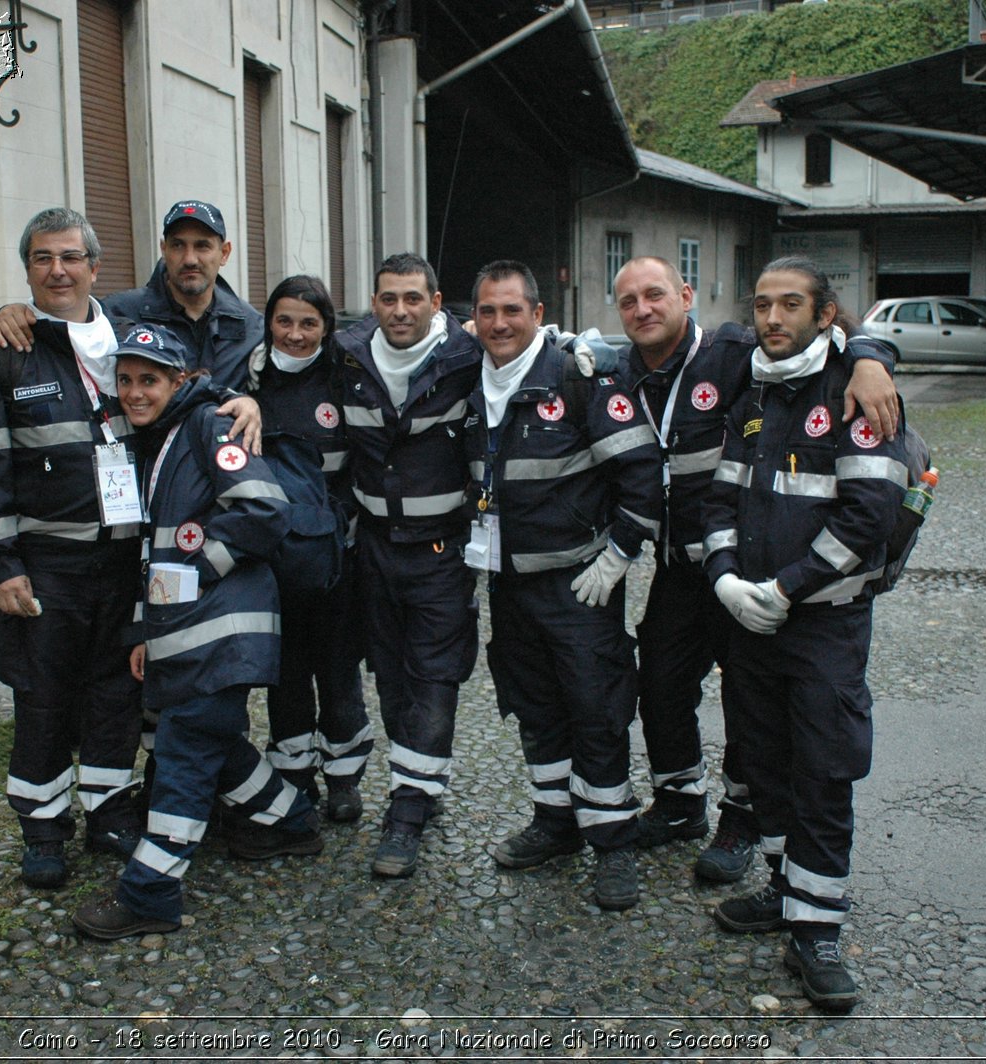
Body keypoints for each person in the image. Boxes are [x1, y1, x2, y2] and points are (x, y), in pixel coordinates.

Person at [609, 256, 897, 883]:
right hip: (683, 565)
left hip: (749, 562)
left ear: (686, 295)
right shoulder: (615, 369)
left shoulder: (734, 350)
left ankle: (743, 818)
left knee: (748, 700)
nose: (643, 310)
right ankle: (681, 801)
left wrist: (873, 358)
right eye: (628, 301)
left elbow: (827, 341)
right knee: (658, 681)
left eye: (655, 294)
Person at [701, 256, 909, 1011]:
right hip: (753, 619)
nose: (773, 319)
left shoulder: (856, 390)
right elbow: (721, 494)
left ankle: (818, 931)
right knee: (764, 761)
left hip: (821, 624)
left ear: (827, 316)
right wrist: (725, 577)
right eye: (762, 305)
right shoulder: (753, 392)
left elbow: (869, 517)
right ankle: (788, 893)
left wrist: (787, 588)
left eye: (791, 305)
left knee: (822, 769)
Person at [72, 325, 323, 941]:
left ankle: (150, 893)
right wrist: (142, 633)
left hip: (222, 630)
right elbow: (147, 556)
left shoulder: (209, 425)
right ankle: (293, 822)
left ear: (180, 381)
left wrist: (199, 567)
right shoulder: (155, 440)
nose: (135, 392)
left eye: (149, 380)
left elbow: (265, 508)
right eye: (126, 380)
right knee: (215, 743)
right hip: (185, 631)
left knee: (184, 753)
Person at [0, 207, 142, 889]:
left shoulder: (134, 338)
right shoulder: (1, 352)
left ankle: (111, 812)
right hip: (46, 569)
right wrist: (1, 566)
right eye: (41, 258)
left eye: (69, 257)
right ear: (26, 268)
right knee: (42, 699)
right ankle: (42, 828)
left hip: (124, 563)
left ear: (95, 266)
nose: (56, 270)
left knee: (117, 694)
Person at [462, 261, 662, 911]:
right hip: (508, 584)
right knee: (534, 705)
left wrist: (619, 557)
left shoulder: (580, 377)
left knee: (597, 710)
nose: (499, 323)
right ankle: (555, 822)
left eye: (512, 310)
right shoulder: (467, 381)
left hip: (579, 589)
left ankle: (612, 841)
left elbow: (641, 473)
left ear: (539, 314)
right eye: (487, 311)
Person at [338, 252, 481, 878]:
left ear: (437, 302)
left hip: (441, 553)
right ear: (374, 302)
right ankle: (419, 780)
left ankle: (406, 812)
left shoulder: (465, 360)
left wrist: (574, 347)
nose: (401, 310)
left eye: (413, 298)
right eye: (389, 298)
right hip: (373, 549)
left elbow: (527, 346)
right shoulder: (347, 359)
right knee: (390, 675)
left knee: (433, 676)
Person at [248, 275, 373, 822]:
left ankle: (344, 777)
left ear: (326, 327)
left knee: (339, 669)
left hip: (335, 559)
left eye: (308, 323)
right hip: (273, 560)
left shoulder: (345, 380)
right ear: (268, 321)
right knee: (286, 673)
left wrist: (337, 521)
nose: (295, 335)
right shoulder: (247, 379)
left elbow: (367, 458)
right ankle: (294, 774)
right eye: (284, 321)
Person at [0, 199, 264, 414]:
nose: (189, 258)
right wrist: (15, 313)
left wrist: (247, 404)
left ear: (224, 253)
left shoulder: (253, 327)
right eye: (178, 245)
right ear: (164, 249)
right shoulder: (117, 315)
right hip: (145, 474)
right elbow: (66, 319)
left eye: (202, 246)